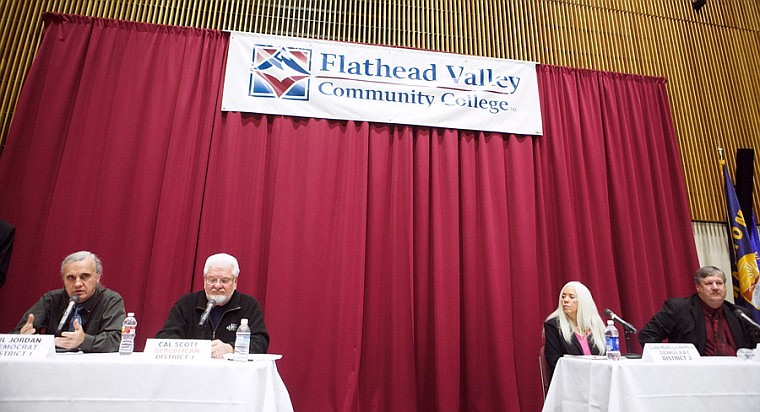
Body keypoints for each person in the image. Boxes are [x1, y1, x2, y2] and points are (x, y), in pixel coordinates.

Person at [156, 253, 269, 358]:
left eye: (224, 280)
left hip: (232, 374)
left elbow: (260, 342)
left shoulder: (249, 305)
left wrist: (231, 348)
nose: (217, 285)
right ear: (205, 281)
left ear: (235, 282)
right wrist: (195, 349)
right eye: (212, 280)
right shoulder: (187, 303)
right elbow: (165, 337)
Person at [12, 251, 126, 352]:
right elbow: (14, 336)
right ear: (63, 280)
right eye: (71, 278)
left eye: (84, 276)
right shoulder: (51, 299)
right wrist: (22, 337)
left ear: (98, 277)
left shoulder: (110, 300)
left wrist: (84, 341)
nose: (77, 284)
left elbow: (117, 339)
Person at [639, 266, 760, 355]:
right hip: (694, 377)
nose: (715, 287)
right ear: (698, 287)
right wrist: (666, 363)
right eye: (708, 283)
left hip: (738, 376)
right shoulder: (678, 309)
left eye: (719, 283)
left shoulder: (740, 314)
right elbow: (648, 335)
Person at [543, 281, 607, 374]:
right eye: (563, 296)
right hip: (571, 380)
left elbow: (608, 356)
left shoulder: (596, 325)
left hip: (599, 377)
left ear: (583, 301)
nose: (565, 300)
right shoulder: (553, 325)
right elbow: (554, 362)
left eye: (571, 297)